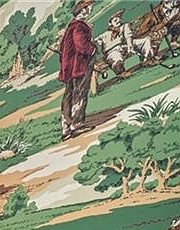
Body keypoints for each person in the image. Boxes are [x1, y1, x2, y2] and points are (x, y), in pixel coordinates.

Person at [59, 1, 96, 141]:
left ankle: (66, 128)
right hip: (79, 66)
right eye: (89, 8)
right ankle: (77, 124)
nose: (90, 10)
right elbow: (82, 46)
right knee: (80, 94)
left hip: (69, 68)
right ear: (83, 10)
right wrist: (93, 49)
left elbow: (63, 48)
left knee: (68, 96)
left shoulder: (71, 26)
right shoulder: (79, 27)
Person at [95, 9, 156, 78]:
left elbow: (128, 36)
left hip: (125, 46)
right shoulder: (104, 34)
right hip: (112, 51)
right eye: (115, 20)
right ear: (110, 23)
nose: (118, 21)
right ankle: (121, 73)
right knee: (116, 59)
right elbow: (95, 42)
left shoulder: (124, 26)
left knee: (146, 40)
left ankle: (147, 60)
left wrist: (129, 45)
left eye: (119, 19)